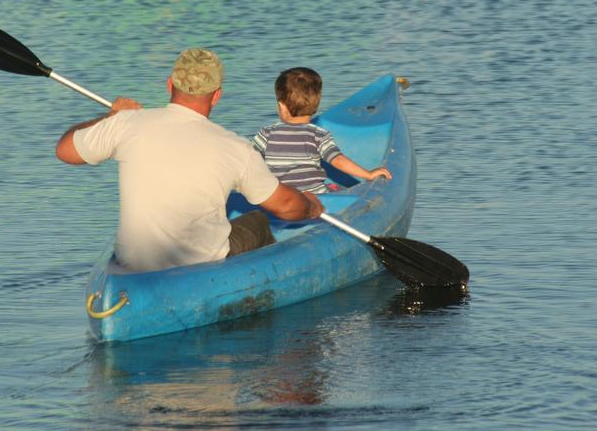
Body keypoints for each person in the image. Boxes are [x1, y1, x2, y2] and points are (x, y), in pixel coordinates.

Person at [55, 49, 324, 272]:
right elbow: (287, 207)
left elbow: (65, 150)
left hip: (134, 267)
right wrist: (310, 205)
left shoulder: (125, 123)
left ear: (170, 85)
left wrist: (110, 116)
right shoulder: (235, 147)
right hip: (200, 266)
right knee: (257, 221)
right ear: (217, 96)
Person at [252, 67, 392, 194]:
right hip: (314, 197)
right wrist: (368, 174)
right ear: (316, 104)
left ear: (281, 106)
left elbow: (249, 163)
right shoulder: (318, 135)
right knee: (338, 190)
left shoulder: (266, 134)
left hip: (279, 198)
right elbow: (337, 160)